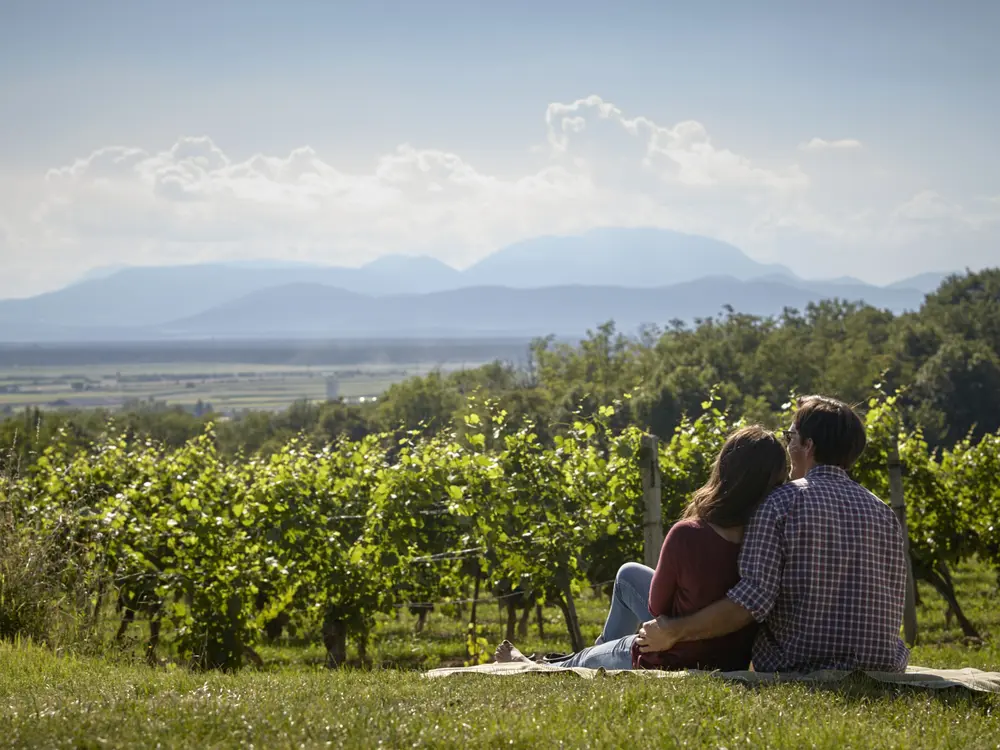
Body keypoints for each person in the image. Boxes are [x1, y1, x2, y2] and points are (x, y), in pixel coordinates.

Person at [636, 395, 910, 673]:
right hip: (881, 665)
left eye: (791, 436)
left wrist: (674, 631)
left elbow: (750, 602)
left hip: (802, 664)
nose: (787, 445)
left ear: (808, 445)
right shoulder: (883, 512)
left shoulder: (782, 503)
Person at [494, 424, 789, 671]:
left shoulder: (688, 535)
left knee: (583, 661)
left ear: (725, 473)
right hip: (731, 657)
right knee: (627, 575)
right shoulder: (769, 538)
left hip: (672, 654)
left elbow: (657, 609)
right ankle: (604, 649)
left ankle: (531, 666)